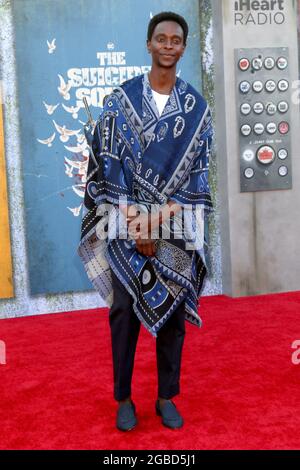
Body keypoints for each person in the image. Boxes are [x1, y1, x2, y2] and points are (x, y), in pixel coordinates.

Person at [78, 11, 214, 431]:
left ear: (184, 47)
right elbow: (109, 170)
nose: (169, 45)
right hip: (124, 222)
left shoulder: (197, 109)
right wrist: (138, 223)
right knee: (123, 311)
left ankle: (166, 396)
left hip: (173, 224)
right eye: (161, 38)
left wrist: (157, 222)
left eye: (176, 39)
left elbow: (198, 177)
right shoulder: (120, 101)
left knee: (172, 313)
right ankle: (123, 398)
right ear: (149, 44)